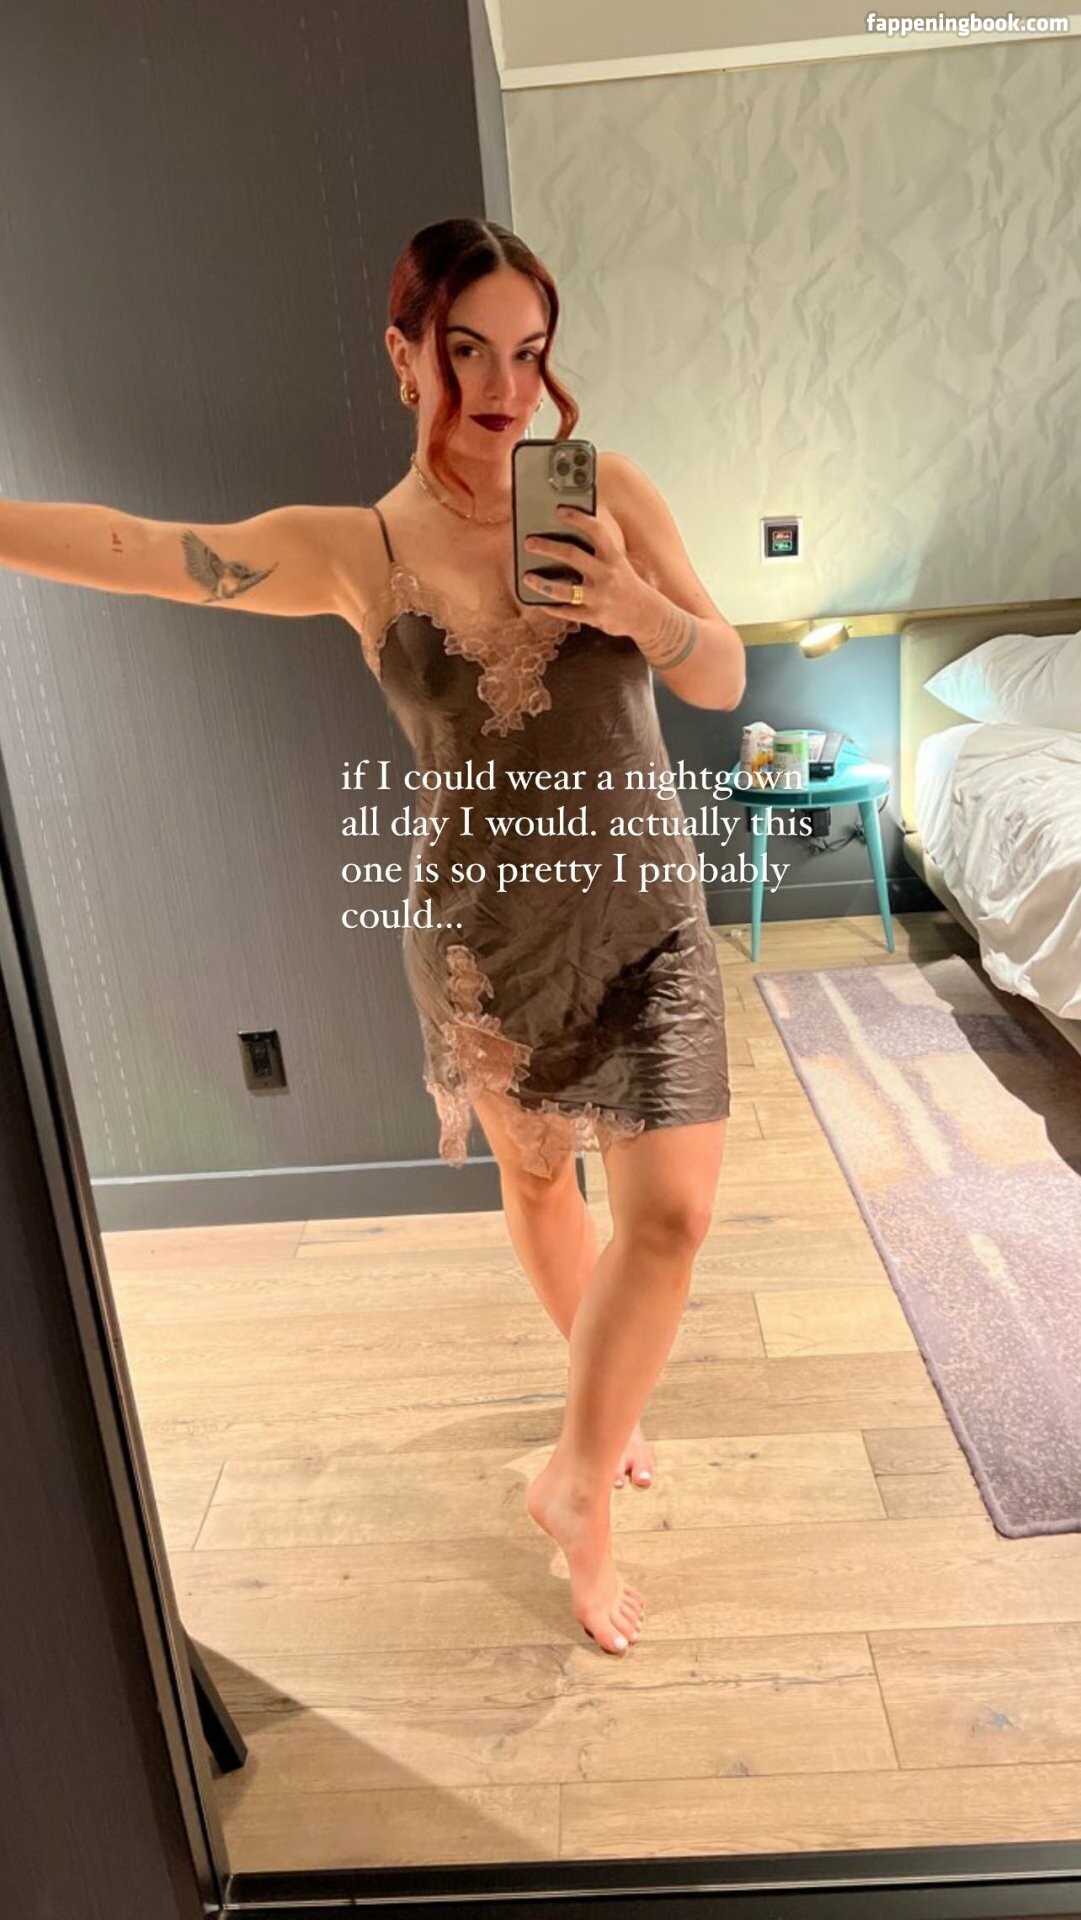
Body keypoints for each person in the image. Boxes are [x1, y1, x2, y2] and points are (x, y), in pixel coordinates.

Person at [0, 216, 745, 1658]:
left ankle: (573, 1480)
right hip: (484, 941)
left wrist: (635, 604)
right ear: (405, 355)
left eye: (528, 353)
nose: (503, 388)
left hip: (644, 916)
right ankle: (603, 1420)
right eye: (466, 351)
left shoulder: (607, 495)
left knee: (671, 1214)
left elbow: (721, 674)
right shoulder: (354, 551)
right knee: (543, 1186)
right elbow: (147, 549)